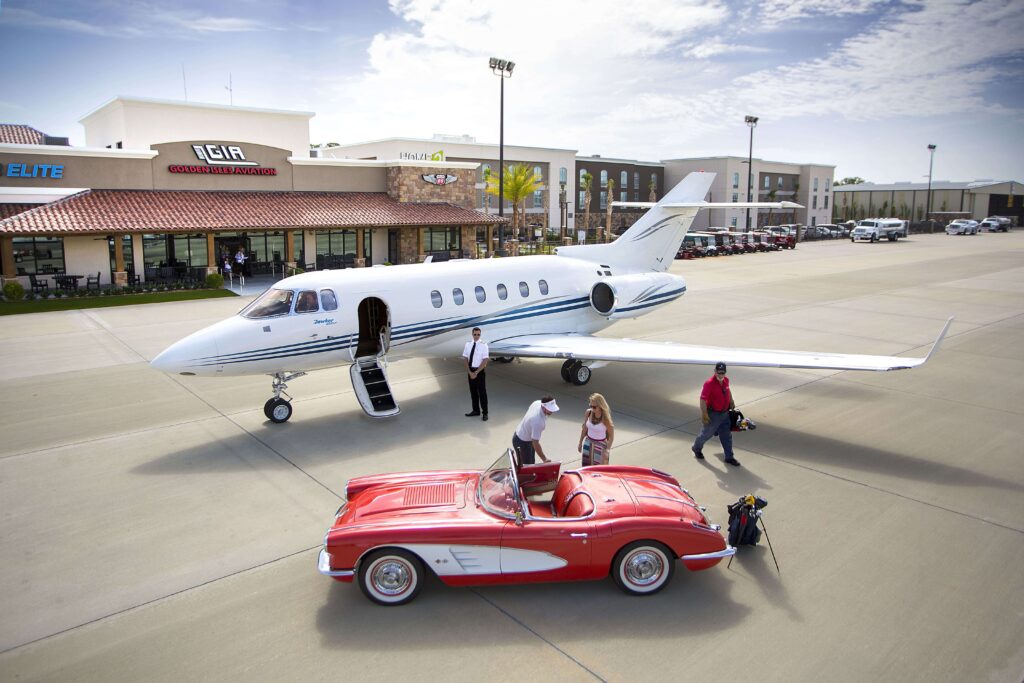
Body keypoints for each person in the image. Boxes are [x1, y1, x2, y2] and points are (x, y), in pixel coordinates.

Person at [692, 361, 740, 467]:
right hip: (713, 414)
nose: (721, 374)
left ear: (725, 372)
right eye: (719, 372)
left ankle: (729, 457)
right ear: (715, 371)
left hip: (725, 414)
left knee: (726, 436)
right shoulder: (709, 383)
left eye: (723, 372)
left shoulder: (726, 380)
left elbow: (728, 390)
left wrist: (731, 400)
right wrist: (704, 414)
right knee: (706, 434)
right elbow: (703, 399)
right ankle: (696, 448)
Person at [512, 395, 559, 465]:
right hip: (522, 443)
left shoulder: (537, 403)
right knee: (527, 468)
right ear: (543, 407)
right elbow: (535, 443)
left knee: (531, 463)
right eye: (550, 409)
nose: (552, 411)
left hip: (522, 435)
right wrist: (544, 459)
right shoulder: (538, 421)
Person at [578, 393, 614, 466]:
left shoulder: (605, 418)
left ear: (600, 406)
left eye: (594, 407)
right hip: (588, 443)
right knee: (586, 468)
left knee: (599, 470)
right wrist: (580, 442)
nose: (592, 408)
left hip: (600, 445)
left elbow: (611, 437)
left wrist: (607, 450)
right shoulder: (588, 412)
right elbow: (584, 428)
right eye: (590, 406)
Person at [462, 327, 489, 421]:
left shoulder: (484, 345)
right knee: (473, 393)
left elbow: (485, 360)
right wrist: (470, 372)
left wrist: (476, 372)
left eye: (478, 334)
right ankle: (476, 410)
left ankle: (485, 413)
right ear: (472, 334)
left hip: (480, 372)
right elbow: (465, 358)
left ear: (480, 335)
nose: (477, 336)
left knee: (482, 393)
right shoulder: (468, 344)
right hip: (470, 371)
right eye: (475, 334)